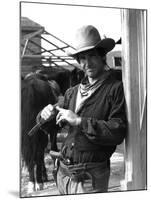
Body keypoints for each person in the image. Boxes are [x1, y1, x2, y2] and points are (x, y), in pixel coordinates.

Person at [40, 25, 127, 194]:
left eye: (92, 56)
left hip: (89, 179)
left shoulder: (115, 89)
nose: (87, 63)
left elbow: (118, 131)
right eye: (82, 58)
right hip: (63, 175)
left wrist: (79, 121)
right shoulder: (72, 92)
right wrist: (45, 116)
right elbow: (54, 127)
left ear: (102, 56)